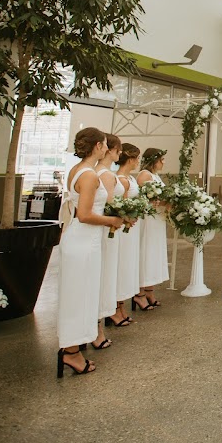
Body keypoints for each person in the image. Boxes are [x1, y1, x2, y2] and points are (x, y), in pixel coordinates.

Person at [57, 127, 124, 377]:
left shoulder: (78, 171)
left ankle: (75, 345)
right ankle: (71, 352)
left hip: (84, 241)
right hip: (83, 243)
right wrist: (112, 221)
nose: (107, 149)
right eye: (105, 144)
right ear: (97, 146)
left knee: (82, 295)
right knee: (78, 297)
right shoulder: (89, 176)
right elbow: (84, 215)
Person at [94, 133, 124, 346]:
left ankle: (98, 327)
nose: (119, 153)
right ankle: (97, 330)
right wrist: (123, 216)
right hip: (105, 229)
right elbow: (109, 206)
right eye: (117, 149)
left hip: (108, 227)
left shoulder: (103, 172)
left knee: (104, 277)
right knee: (102, 278)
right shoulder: (104, 174)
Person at [135, 148, 169, 310]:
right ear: (153, 160)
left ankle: (149, 290)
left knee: (154, 254)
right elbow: (147, 199)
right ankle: (139, 293)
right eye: (161, 159)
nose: (163, 162)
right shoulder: (144, 175)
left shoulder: (155, 176)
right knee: (146, 253)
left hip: (157, 220)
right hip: (148, 219)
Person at [114, 143, 142, 326]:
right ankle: (115, 309)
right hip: (123, 231)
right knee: (121, 266)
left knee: (128, 266)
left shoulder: (131, 178)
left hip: (132, 228)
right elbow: (119, 207)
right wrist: (127, 217)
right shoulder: (121, 180)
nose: (138, 162)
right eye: (137, 158)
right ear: (130, 159)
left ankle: (121, 306)